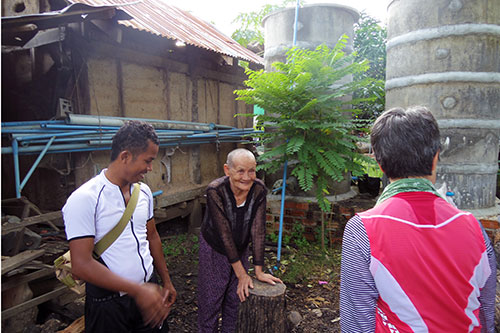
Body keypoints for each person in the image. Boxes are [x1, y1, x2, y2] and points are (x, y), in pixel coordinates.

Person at [340, 106, 496, 332]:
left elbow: (356, 325)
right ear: (435, 158)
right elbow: (485, 314)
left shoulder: (363, 230)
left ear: (380, 164)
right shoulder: (474, 227)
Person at [62, 120, 176, 332]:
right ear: (125, 156)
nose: (150, 168)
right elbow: (82, 264)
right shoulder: (85, 199)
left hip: (148, 295)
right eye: (147, 161)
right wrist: (138, 291)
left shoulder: (143, 192)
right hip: (108, 305)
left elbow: (152, 237)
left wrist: (166, 281)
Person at [198, 148, 283, 332]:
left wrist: (258, 271)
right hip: (215, 248)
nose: (246, 177)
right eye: (240, 171)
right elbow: (224, 234)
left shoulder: (259, 189)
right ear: (227, 170)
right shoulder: (215, 191)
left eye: (251, 170)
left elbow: (258, 229)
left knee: (236, 299)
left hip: (240, 247)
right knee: (211, 301)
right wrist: (242, 273)